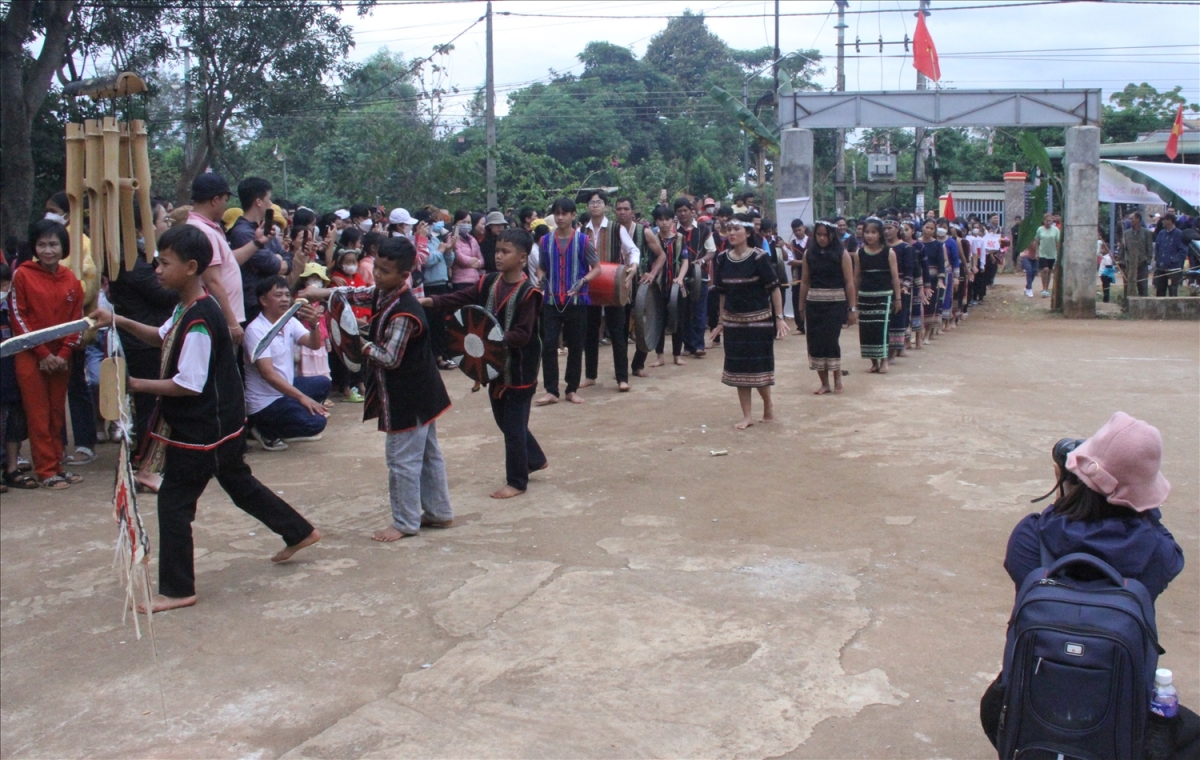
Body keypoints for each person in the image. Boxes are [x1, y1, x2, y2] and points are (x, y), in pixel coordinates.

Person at [90, 223, 320, 612]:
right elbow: (163, 337)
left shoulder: (198, 317)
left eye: (165, 263)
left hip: (202, 427)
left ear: (191, 266)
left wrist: (133, 384)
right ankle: (299, 531)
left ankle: (179, 589)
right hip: (220, 423)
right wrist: (119, 321)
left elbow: (187, 385)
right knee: (237, 481)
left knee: (175, 503)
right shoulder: (191, 307)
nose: (158, 271)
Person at [980, 412, 1198, 756]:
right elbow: (1164, 543)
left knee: (998, 703)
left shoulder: (1030, 536)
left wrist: (1068, 490)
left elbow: (1037, 557)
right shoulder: (1156, 552)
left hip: (1029, 703)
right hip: (1114, 716)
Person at [301, 236, 454, 541]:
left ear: (404, 276)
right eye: (378, 268)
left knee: (403, 460)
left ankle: (405, 522)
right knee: (426, 454)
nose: (378, 275)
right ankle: (438, 512)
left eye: (385, 271)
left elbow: (390, 358)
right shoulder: (384, 293)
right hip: (422, 392)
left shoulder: (404, 311)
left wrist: (357, 342)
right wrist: (322, 291)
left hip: (408, 395)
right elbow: (356, 293)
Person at [423, 228, 547, 499]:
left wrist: (488, 338)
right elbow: (458, 299)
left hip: (520, 370)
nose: (499, 256)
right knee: (506, 422)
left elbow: (523, 334)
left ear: (523, 258)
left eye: (506, 252)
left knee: (512, 427)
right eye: (497, 251)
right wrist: (429, 301)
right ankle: (535, 458)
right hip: (493, 368)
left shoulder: (530, 293)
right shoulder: (488, 282)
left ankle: (517, 481)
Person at [8, 220, 86, 489]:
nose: (47, 250)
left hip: (62, 357)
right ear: (34, 247)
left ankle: (58, 465)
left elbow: (78, 321)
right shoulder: (22, 275)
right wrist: (43, 354)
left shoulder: (72, 281)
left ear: (63, 246)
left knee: (56, 413)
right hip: (31, 356)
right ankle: (46, 470)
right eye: (41, 244)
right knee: (38, 414)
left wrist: (63, 354)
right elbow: (19, 318)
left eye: (53, 244)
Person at [710, 215, 787, 429]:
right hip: (734, 323)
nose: (732, 233)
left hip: (759, 322)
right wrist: (721, 321)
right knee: (738, 369)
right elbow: (722, 293)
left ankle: (768, 403)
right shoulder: (722, 258)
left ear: (749, 233)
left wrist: (779, 318)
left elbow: (774, 288)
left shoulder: (759, 258)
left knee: (757, 367)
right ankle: (747, 416)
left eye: (736, 229)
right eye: (729, 229)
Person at [243, 277, 330, 450]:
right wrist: (302, 397)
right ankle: (264, 430)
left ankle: (288, 420)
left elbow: (313, 344)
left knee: (323, 383)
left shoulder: (288, 320)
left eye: (286, 295)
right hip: (265, 402)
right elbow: (267, 374)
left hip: (284, 390)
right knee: (316, 424)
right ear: (263, 300)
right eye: (278, 295)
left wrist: (314, 325)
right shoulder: (256, 329)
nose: (284, 299)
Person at [536, 197, 599, 407]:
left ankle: (571, 389)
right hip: (552, 300)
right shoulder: (545, 241)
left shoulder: (583, 241)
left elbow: (596, 268)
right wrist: (540, 276)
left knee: (575, 345)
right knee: (549, 344)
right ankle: (551, 390)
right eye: (557, 213)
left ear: (573, 215)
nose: (560, 217)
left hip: (577, 301)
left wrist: (584, 280)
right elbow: (542, 266)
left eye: (565, 213)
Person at [580, 190, 639, 393]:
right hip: (589, 285)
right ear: (587, 207)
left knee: (617, 331)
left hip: (613, 283)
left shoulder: (616, 228)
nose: (595, 205)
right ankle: (590, 375)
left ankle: (622, 378)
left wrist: (633, 267)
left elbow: (633, 250)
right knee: (590, 331)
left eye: (599, 202)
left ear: (605, 206)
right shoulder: (581, 231)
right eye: (591, 202)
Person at [186, 173, 245, 344]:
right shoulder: (203, 231)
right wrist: (232, 323)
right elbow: (212, 280)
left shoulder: (206, 228)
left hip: (222, 316)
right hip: (220, 319)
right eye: (225, 201)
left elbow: (227, 264)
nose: (225, 206)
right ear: (215, 200)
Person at [799, 220, 856, 395]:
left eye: (826, 235)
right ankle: (824, 383)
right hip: (814, 304)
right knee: (815, 343)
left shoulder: (842, 253)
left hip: (835, 304)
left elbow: (849, 282)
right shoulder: (809, 254)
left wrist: (852, 309)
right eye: (819, 235)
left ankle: (837, 376)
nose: (822, 238)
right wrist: (801, 307)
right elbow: (805, 281)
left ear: (832, 235)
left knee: (831, 341)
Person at [227, 177, 291, 323]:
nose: (271, 204)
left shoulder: (263, 228)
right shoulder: (242, 233)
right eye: (269, 199)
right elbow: (271, 265)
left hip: (268, 306)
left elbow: (287, 259)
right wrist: (277, 259)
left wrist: (279, 258)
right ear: (258, 202)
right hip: (253, 305)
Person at [1, 261, 35, 492]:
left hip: (11, 375)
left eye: (4, 283)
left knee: (14, 420)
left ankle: (12, 468)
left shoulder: (12, 310)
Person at [855, 218, 902, 374]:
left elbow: (895, 277)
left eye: (873, 232)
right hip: (865, 296)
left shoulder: (889, 252)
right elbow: (856, 278)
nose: (870, 235)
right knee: (867, 329)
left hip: (884, 295)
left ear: (880, 234)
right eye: (867, 232)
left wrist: (898, 298)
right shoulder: (859, 253)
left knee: (881, 329)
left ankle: (884, 361)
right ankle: (873, 362)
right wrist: (854, 300)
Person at [675, 198, 715, 357]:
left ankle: (699, 345)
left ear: (691, 211)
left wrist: (702, 260)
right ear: (676, 213)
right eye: (679, 211)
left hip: (701, 276)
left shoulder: (704, 229)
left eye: (685, 210)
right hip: (680, 277)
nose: (683, 214)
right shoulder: (673, 230)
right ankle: (687, 345)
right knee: (684, 310)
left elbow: (711, 251)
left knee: (699, 310)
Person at [883, 219, 914, 360]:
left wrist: (905, 286)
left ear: (897, 230)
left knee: (898, 318)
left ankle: (895, 349)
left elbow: (909, 270)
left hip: (900, 289)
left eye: (889, 228)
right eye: (884, 228)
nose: (886, 231)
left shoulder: (905, 248)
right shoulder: (881, 248)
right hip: (883, 287)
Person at [1119, 212, 1154, 299]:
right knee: (1128, 287)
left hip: (1142, 264)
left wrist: (1147, 261)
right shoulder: (1126, 233)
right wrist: (1121, 262)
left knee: (1142, 287)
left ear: (1138, 219)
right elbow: (1122, 249)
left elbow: (1150, 248)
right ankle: (1127, 306)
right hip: (1129, 265)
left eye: (1132, 219)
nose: (1130, 221)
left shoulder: (1147, 233)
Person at [1153, 213, 1187, 298]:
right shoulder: (1161, 233)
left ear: (1170, 221)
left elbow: (1183, 251)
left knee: (1172, 291)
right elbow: (1157, 247)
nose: (1162, 222)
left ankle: (1173, 310)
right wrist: (1157, 258)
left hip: (1173, 269)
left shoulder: (1179, 234)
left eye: (1164, 220)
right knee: (1160, 291)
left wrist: (1173, 260)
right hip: (1161, 268)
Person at [451, 210, 485, 292]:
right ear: (456, 223)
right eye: (463, 222)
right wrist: (473, 260)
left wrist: (478, 262)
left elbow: (482, 260)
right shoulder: (453, 238)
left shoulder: (472, 239)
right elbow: (459, 258)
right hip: (460, 281)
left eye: (469, 222)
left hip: (475, 281)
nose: (466, 224)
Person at [786, 219, 808, 333]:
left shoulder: (812, 242)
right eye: (795, 231)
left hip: (811, 277)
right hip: (797, 277)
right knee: (797, 300)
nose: (798, 232)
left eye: (799, 230)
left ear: (804, 228)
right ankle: (800, 326)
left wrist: (798, 262)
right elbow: (790, 261)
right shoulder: (791, 245)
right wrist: (806, 262)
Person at [1035, 213, 1060, 298]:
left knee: (1049, 271)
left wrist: (1058, 253)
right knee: (1044, 270)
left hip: (1052, 254)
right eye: (1047, 221)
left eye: (1050, 221)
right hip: (1042, 253)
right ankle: (1044, 288)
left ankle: (1046, 288)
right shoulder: (1040, 229)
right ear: (1043, 221)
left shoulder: (1056, 230)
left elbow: (1058, 242)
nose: (1048, 222)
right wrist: (1037, 252)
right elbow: (1037, 241)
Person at [1098, 228, 1116, 303]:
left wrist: (1104, 274)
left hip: (1105, 275)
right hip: (1103, 274)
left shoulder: (1107, 258)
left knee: (1106, 287)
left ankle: (1106, 299)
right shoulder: (1104, 257)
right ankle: (1105, 298)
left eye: (1102, 248)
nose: (1101, 250)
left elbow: (1108, 267)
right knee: (1104, 287)